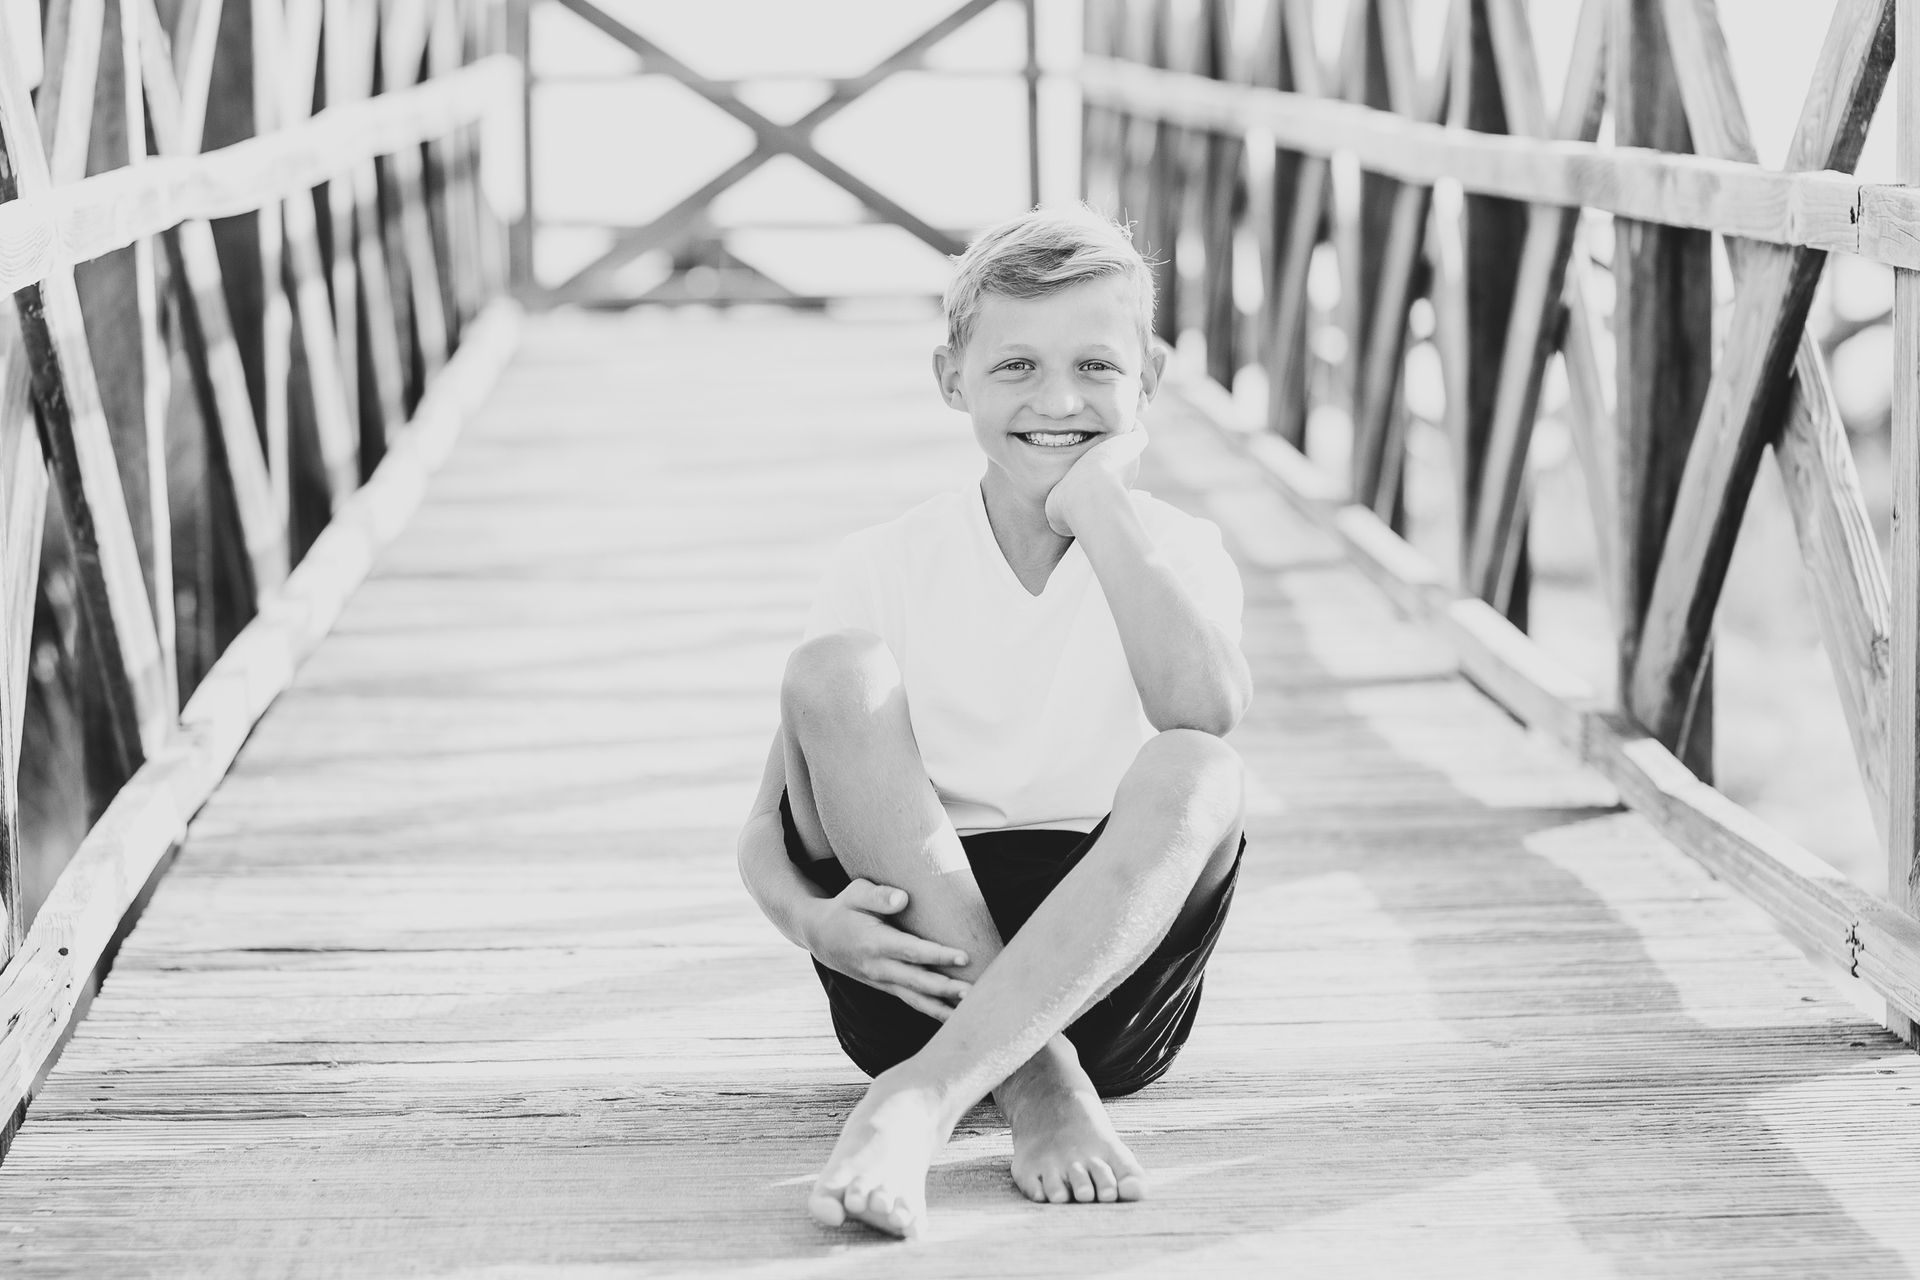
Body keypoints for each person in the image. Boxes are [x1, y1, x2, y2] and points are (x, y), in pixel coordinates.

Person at [734, 204, 1250, 1240]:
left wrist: (1098, 508)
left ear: (1147, 379)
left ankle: (926, 1097)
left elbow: (1202, 711)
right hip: (912, 957)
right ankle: (1038, 1083)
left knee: (1201, 767)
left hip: (1107, 965)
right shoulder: (881, 563)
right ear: (951, 378)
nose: (1057, 400)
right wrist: (814, 923)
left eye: (1096, 367)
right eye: (1016, 366)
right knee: (835, 671)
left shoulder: (1177, 551)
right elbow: (764, 825)